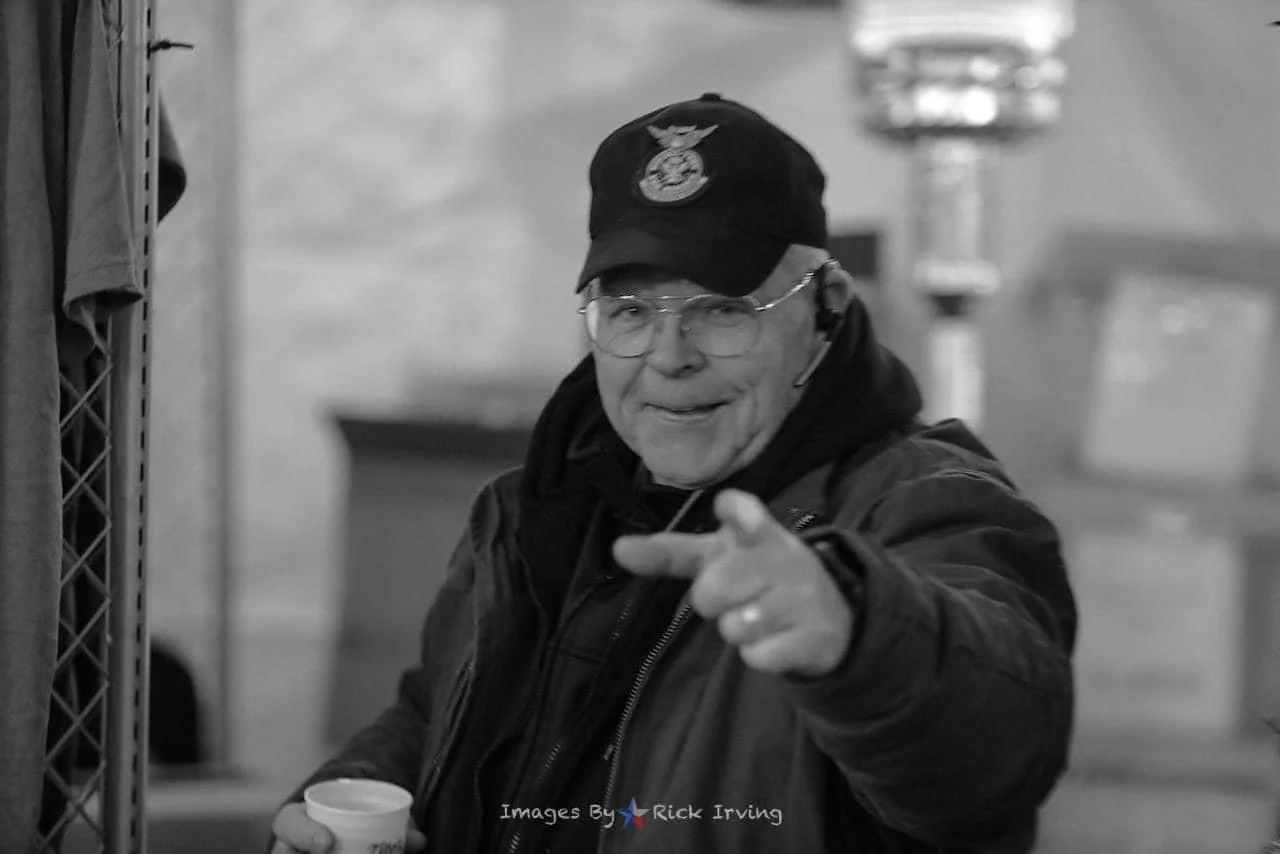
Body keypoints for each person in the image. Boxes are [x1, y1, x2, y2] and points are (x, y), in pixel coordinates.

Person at [270, 93, 1076, 854]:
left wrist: (861, 635)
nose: (669, 357)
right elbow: (430, 710)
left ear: (825, 307)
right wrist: (354, 790)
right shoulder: (530, 512)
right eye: (630, 312)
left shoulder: (924, 504)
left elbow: (995, 755)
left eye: (723, 309)